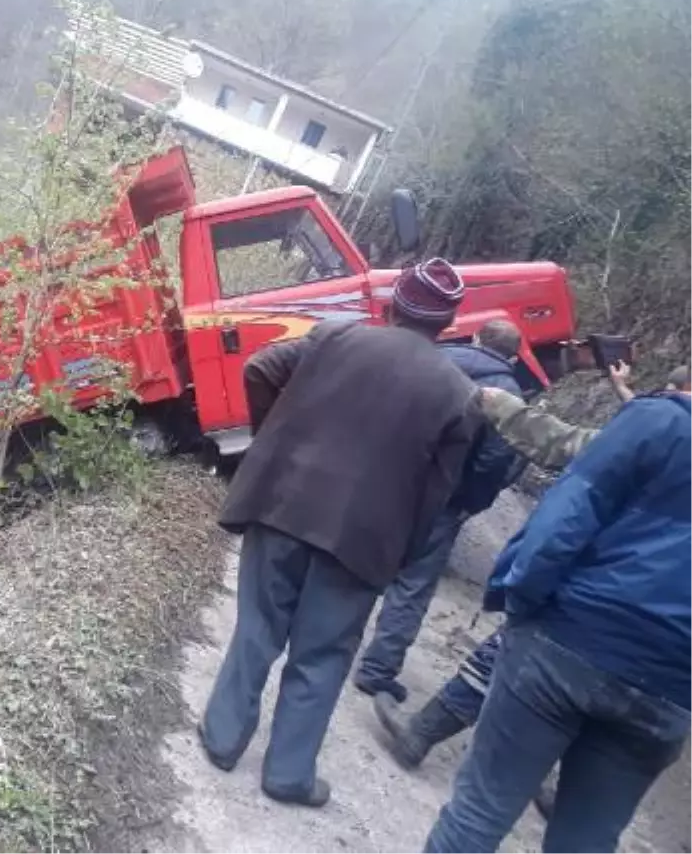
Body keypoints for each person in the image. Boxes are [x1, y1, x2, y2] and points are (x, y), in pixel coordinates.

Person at [199, 258, 481, 808]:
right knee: (322, 655)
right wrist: (401, 548)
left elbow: (258, 367)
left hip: (281, 505)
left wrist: (274, 444)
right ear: (447, 323)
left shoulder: (334, 337)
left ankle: (222, 737)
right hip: (362, 541)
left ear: (393, 304)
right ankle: (287, 773)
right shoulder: (460, 394)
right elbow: (436, 494)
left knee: (257, 627)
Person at [423, 369, 692, 853]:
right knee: (585, 843)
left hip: (569, 642)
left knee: (479, 814)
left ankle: (422, 732)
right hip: (670, 689)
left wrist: (521, 604)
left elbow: (560, 524)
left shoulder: (656, 422)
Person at [371, 362, 678, 778]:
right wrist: (624, 388)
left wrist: (503, 408)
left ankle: (421, 735)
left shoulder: (646, 440)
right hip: (675, 640)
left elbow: (565, 445)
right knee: (616, 721)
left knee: (508, 651)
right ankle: (570, 798)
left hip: (603, 603)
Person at [353, 319, 526, 703]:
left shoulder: (436, 359)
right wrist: (468, 502)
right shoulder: (509, 393)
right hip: (442, 503)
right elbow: (496, 459)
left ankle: (329, 638)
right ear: (513, 355)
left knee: (361, 560)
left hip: (389, 481)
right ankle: (377, 669)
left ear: (477, 337)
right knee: (413, 585)